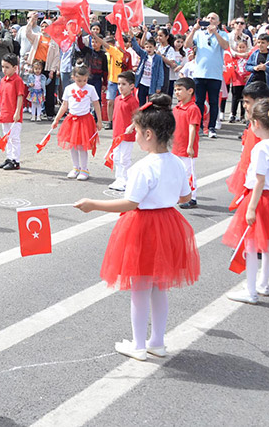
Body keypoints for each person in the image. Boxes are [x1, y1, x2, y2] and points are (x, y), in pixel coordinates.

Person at [74, 94, 199, 361]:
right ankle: (157, 342)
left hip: (144, 227)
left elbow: (130, 203)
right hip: (169, 224)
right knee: (159, 288)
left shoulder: (143, 167)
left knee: (139, 289)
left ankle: (139, 345)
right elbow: (186, 197)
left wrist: (92, 204)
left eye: (137, 132)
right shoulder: (176, 162)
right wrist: (164, 196)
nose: (135, 136)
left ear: (149, 134)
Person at [222, 100, 269, 305]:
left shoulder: (260, 148)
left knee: (251, 246)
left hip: (259, 199)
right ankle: (263, 284)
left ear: (255, 123)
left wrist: (251, 208)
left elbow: (259, 180)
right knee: (268, 246)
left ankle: (251, 290)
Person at [51, 66, 101, 181]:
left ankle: (84, 169)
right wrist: (57, 119)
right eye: (79, 80)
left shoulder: (90, 89)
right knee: (73, 145)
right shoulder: (69, 88)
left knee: (82, 146)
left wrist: (99, 120)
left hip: (85, 120)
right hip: (72, 120)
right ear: (73, 78)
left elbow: (96, 104)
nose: (82, 83)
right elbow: (64, 105)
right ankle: (75, 167)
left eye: (85, 80)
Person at [185, 13, 229, 138]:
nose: (210, 20)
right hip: (199, 74)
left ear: (218, 22)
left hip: (214, 74)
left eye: (213, 18)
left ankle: (211, 127)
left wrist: (215, 33)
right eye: (208, 18)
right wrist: (194, 29)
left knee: (214, 102)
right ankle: (197, 126)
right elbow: (187, 45)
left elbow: (225, 46)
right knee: (199, 101)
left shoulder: (222, 34)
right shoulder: (199, 34)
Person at [172, 78, 202, 209]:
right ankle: (181, 195)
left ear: (190, 91)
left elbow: (192, 127)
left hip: (187, 147)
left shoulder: (192, 108)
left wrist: (190, 145)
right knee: (178, 173)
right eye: (175, 90)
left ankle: (192, 197)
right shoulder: (177, 108)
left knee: (188, 173)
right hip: (176, 146)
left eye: (180, 89)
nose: (177, 92)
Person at [109, 71, 140, 191]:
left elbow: (138, 117)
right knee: (116, 157)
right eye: (119, 84)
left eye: (123, 84)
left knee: (124, 158)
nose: (120, 87)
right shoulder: (117, 99)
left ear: (131, 86)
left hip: (127, 135)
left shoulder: (132, 101)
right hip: (117, 134)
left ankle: (125, 180)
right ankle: (119, 178)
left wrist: (132, 127)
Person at [0, 52, 28, 171]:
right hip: (5, 113)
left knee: (14, 138)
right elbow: (1, 97)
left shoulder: (17, 80)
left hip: (14, 114)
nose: (4, 70)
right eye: (3, 67)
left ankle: (16, 160)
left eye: (7, 67)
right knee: (6, 137)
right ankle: (9, 157)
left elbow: (20, 96)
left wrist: (17, 112)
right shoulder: (3, 80)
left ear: (15, 68)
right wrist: (0, 112)